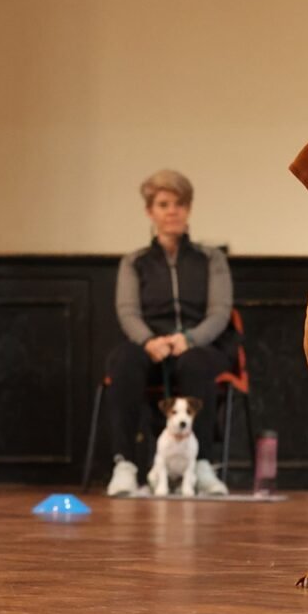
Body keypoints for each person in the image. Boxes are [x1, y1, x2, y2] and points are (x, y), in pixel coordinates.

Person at [105, 170, 235, 497]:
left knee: (195, 362)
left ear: (188, 209)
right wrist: (149, 341)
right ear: (151, 211)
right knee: (123, 360)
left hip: (198, 344)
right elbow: (127, 311)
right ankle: (125, 465)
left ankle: (203, 464)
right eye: (163, 204)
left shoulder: (211, 259)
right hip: (151, 345)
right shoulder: (134, 262)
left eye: (179, 204)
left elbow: (220, 312)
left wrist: (188, 339)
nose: (172, 211)